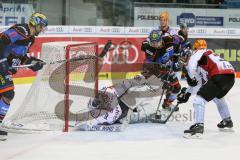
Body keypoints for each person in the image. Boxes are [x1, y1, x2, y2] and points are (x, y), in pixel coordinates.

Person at [0, 12, 48, 141]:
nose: (43, 29)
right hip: (1, 66)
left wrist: (32, 63)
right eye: (42, 26)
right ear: (36, 23)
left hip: (4, 69)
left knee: (5, 95)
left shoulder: (31, 38)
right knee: (8, 93)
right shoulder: (21, 30)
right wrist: (2, 61)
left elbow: (21, 57)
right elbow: (1, 40)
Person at [177, 39, 235, 138]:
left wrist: (190, 78)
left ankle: (199, 127)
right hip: (230, 77)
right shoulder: (208, 55)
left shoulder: (196, 55)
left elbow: (193, 74)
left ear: (194, 49)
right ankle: (227, 120)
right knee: (218, 98)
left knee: (199, 100)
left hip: (219, 75)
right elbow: (200, 83)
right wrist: (187, 92)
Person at [141, 29, 183, 111]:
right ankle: (137, 105)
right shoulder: (149, 50)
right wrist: (161, 80)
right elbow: (150, 68)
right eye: (152, 42)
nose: (155, 44)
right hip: (154, 70)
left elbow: (179, 40)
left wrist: (176, 57)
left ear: (161, 39)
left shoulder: (169, 40)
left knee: (177, 87)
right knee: (151, 88)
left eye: (157, 42)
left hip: (167, 68)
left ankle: (167, 103)